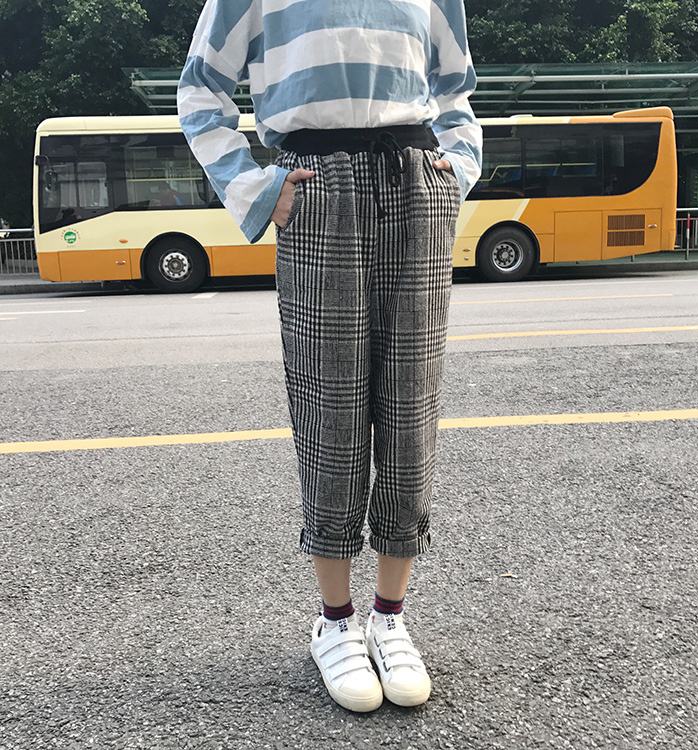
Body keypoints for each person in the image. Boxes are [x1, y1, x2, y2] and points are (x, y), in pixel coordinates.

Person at [178, 0, 482, 712]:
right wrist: (255, 186)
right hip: (316, 186)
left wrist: (459, 166)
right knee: (331, 411)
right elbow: (200, 90)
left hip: (416, 181)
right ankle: (336, 621)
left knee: (411, 410)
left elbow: (456, 88)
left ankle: (390, 616)